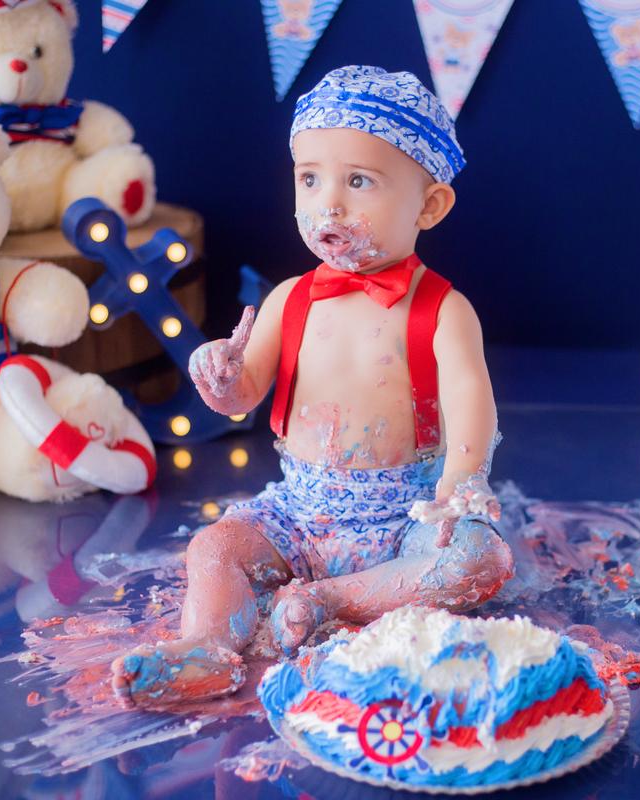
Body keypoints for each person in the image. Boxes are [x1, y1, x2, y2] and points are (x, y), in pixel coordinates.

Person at [111, 66, 514, 706]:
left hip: (405, 518)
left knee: (479, 561)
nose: (329, 204)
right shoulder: (289, 300)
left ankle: (329, 600)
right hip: (300, 515)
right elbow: (244, 396)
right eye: (309, 179)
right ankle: (207, 648)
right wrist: (221, 378)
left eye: (359, 181)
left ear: (429, 206)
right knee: (215, 547)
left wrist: (461, 483)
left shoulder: (443, 310)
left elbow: (470, 395)